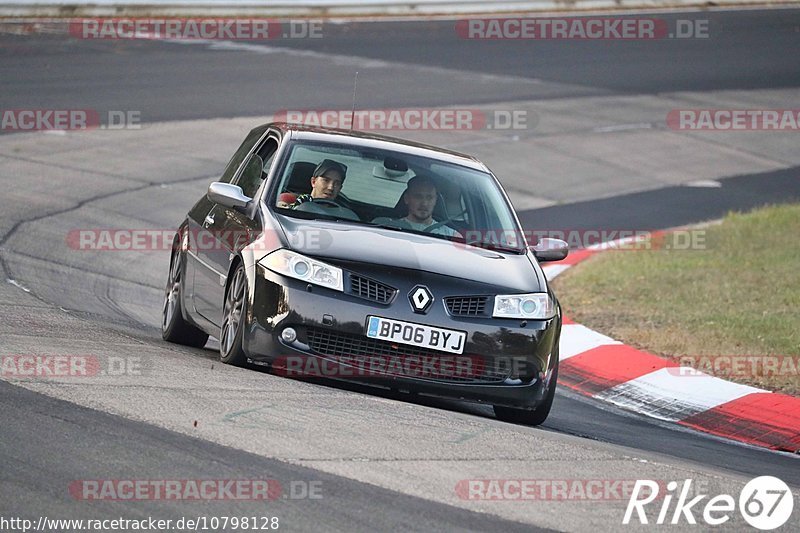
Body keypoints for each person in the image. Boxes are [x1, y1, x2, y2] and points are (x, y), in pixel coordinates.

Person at [373, 175, 460, 237]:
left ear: (436, 200)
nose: (424, 203)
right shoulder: (386, 227)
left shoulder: (452, 236)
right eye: (418, 197)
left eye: (429, 197)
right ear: (407, 199)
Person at [277, 159, 347, 208]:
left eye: (337, 183)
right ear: (313, 182)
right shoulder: (291, 201)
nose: (331, 187)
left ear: (340, 188)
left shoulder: (344, 215)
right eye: (326, 180)